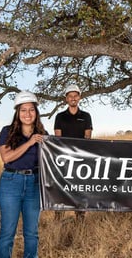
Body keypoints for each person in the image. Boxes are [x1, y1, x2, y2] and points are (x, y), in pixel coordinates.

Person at [0, 90, 47, 258]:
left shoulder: (43, 134)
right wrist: (31, 142)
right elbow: (7, 157)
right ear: (17, 113)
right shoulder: (7, 131)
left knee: (32, 233)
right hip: (11, 182)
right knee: (7, 232)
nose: (28, 114)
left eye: (31, 109)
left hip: (34, 183)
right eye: (23, 110)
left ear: (36, 112)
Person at [53, 84, 93, 220]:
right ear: (66, 99)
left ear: (79, 97)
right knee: (61, 188)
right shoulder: (60, 117)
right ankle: (58, 216)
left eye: (75, 95)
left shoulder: (86, 116)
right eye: (70, 96)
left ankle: (80, 216)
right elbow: (58, 139)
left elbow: (87, 138)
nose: (73, 98)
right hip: (64, 159)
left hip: (81, 160)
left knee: (79, 189)